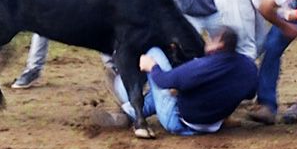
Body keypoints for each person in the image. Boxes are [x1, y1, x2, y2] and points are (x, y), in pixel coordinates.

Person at [95, 26, 258, 136]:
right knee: (170, 93)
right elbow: (250, 94)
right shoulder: (249, 68)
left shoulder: (202, 67)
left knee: (154, 53)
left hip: (178, 121)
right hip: (213, 123)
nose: (207, 43)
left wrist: (151, 66)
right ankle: (128, 113)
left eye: (211, 40)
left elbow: (163, 81)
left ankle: (124, 93)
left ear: (219, 45)